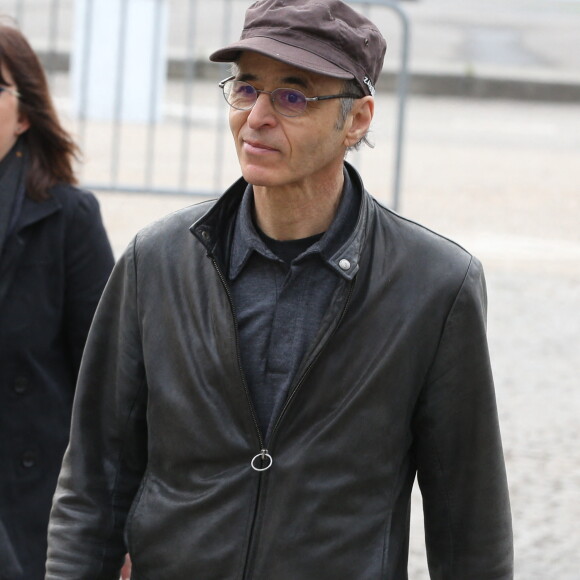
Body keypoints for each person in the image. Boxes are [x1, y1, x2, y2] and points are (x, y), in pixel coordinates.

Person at [45, 0, 513, 578]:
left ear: (358, 119)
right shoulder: (157, 261)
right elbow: (93, 482)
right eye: (246, 88)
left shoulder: (435, 286)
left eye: (294, 96)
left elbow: (470, 530)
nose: (258, 116)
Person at [0, 22, 114, 580]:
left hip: (31, 503)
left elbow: (114, 385)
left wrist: (121, 526)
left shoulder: (68, 218)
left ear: (24, 115)